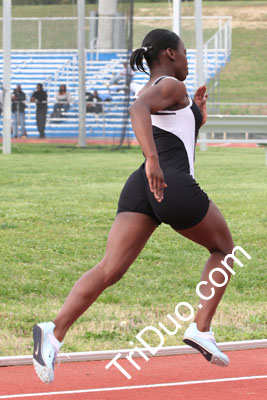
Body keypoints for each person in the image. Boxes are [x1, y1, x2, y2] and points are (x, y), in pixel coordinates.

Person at [33, 29, 235, 384]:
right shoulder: (171, 84)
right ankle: (201, 328)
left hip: (142, 187)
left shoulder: (168, 91)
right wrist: (153, 161)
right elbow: (138, 109)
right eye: (186, 54)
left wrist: (198, 117)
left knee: (110, 269)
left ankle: (53, 332)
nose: (188, 62)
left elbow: (172, 133)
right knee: (224, 250)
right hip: (167, 181)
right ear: (170, 54)